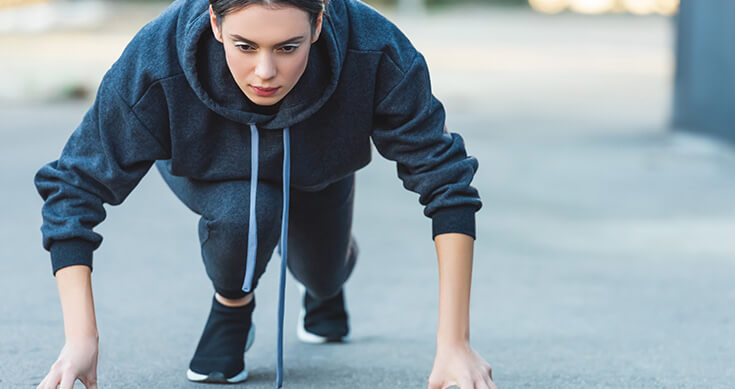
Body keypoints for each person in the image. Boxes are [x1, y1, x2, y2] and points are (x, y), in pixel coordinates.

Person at [34, 0, 494, 387]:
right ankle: (232, 306)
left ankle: (327, 287)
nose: (265, 72)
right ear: (215, 21)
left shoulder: (376, 48)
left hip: (320, 169)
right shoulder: (156, 58)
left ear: (318, 22)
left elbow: (446, 180)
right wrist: (81, 341)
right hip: (211, 167)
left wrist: (455, 344)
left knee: (323, 273)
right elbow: (75, 186)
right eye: (245, 46)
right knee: (247, 213)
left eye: (288, 47)